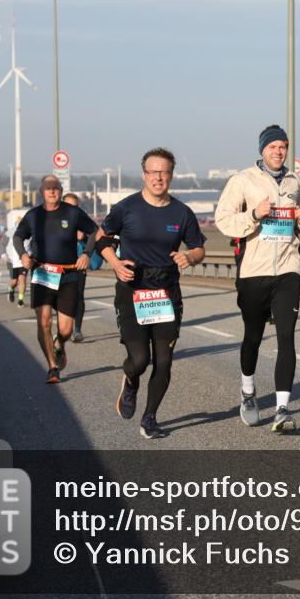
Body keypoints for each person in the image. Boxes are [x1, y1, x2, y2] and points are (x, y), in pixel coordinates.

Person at [96, 147, 206, 439]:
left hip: (166, 292)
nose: (159, 177)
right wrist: (115, 263)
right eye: (153, 172)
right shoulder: (126, 208)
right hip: (133, 290)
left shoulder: (182, 213)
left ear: (171, 175)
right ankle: (131, 381)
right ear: (144, 175)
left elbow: (198, 247)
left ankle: (150, 418)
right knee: (140, 359)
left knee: (165, 360)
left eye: (164, 172)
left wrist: (190, 258)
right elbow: (101, 238)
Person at [214, 125, 300, 433]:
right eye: (272, 147)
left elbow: (298, 226)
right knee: (253, 336)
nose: (278, 152)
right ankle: (248, 391)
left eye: (283, 147)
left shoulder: (295, 182)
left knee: (286, 336)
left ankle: (282, 409)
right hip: (253, 271)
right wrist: (254, 214)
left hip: (287, 269)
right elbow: (223, 220)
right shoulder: (242, 180)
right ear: (262, 150)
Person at [12, 175, 97, 384]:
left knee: (66, 329)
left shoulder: (73, 212)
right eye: (48, 188)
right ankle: (52, 367)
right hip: (42, 274)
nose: (52, 191)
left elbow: (95, 231)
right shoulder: (33, 216)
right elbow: (17, 237)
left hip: (68, 275)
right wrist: (23, 254)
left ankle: (59, 344)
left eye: (56, 188)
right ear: (41, 192)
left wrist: (86, 253)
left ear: (60, 190)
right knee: (44, 322)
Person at [62, 193, 89, 342]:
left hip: (78, 265)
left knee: (79, 296)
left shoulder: (82, 219)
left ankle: (77, 329)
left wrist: (84, 238)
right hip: (60, 266)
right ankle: (64, 327)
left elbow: (94, 233)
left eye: (75, 205)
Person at [6, 217, 28, 307]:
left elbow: (31, 245)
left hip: (24, 260)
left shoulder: (28, 233)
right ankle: (10, 289)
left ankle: (20, 300)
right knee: (14, 281)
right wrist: (9, 257)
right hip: (13, 261)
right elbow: (7, 247)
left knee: (22, 279)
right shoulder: (12, 233)